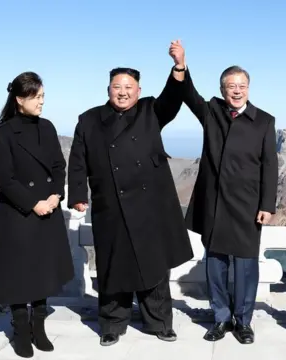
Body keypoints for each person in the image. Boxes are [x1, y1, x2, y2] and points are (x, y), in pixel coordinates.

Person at [67, 40, 193, 346]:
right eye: (116, 86)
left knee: (154, 266)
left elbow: (173, 97)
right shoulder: (89, 119)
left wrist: (178, 66)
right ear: (107, 89)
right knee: (112, 265)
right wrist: (78, 195)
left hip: (150, 206)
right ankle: (112, 324)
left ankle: (161, 322)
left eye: (129, 86)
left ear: (138, 89)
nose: (122, 92)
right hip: (110, 204)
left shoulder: (151, 109)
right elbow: (78, 159)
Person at [181, 60, 278, 344]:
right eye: (231, 86)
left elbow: (269, 166)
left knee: (246, 266)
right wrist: (181, 66)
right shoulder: (212, 112)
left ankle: (244, 322)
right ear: (222, 89)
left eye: (241, 86)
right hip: (214, 203)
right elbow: (188, 93)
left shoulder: (264, 121)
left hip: (248, 204)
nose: (236, 91)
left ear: (249, 89)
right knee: (215, 263)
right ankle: (221, 318)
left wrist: (267, 205)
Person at [0, 71, 74, 358]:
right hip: (19, 212)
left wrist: (55, 194)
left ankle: (39, 327)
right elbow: (5, 179)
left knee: (42, 270)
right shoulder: (4, 133)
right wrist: (33, 203)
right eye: (36, 97)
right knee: (18, 274)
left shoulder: (47, 127)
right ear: (19, 99)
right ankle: (21, 329)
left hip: (48, 208)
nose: (41, 103)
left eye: (43, 97)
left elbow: (58, 165)